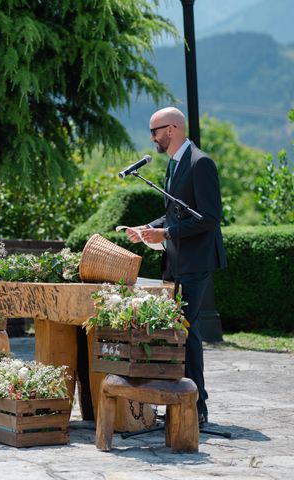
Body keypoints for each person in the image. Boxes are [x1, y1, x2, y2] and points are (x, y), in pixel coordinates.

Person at [125, 107, 227, 426]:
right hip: (176, 261)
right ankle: (177, 399)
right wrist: (148, 229)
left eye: (154, 131)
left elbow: (210, 219)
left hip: (195, 263)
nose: (152, 137)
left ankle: (196, 405)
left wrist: (166, 233)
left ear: (171, 129)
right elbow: (175, 215)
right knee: (178, 331)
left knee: (187, 329)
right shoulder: (174, 164)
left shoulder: (201, 163)